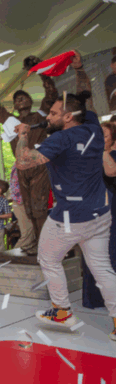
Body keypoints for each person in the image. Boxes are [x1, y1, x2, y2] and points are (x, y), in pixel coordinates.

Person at [14, 50, 116, 340]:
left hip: (71, 217)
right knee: (102, 268)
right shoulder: (93, 125)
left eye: (54, 114)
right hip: (100, 213)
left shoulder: (60, 138)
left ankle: (61, 311)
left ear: (68, 117)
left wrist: (23, 135)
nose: (49, 116)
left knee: (48, 259)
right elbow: (85, 97)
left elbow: (23, 162)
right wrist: (79, 69)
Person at [0, 68, 58, 253]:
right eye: (17, 99)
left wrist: (42, 72)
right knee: (28, 209)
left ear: (31, 101)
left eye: (24, 97)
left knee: (39, 206)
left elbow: (51, 96)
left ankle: (44, 244)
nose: (20, 100)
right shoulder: (11, 121)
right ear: (15, 106)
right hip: (22, 169)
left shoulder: (39, 116)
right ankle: (35, 241)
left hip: (39, 166)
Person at [82, 122, 116, 309]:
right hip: (92, 208)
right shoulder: (89, 157)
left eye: (105, 135)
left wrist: (103, 150)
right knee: (93, 251)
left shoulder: (111, 155)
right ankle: (95, 297)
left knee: (110, 250)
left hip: (112, 208)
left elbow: (111, 171)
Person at [9, 163, 36, 251]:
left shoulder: (21, 165)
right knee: (28, 231)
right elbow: (16, 188)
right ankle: (13, 255)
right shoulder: (21, 166)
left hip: (22, 202)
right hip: (20, 202)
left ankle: (25, 251)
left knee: (31, 231)